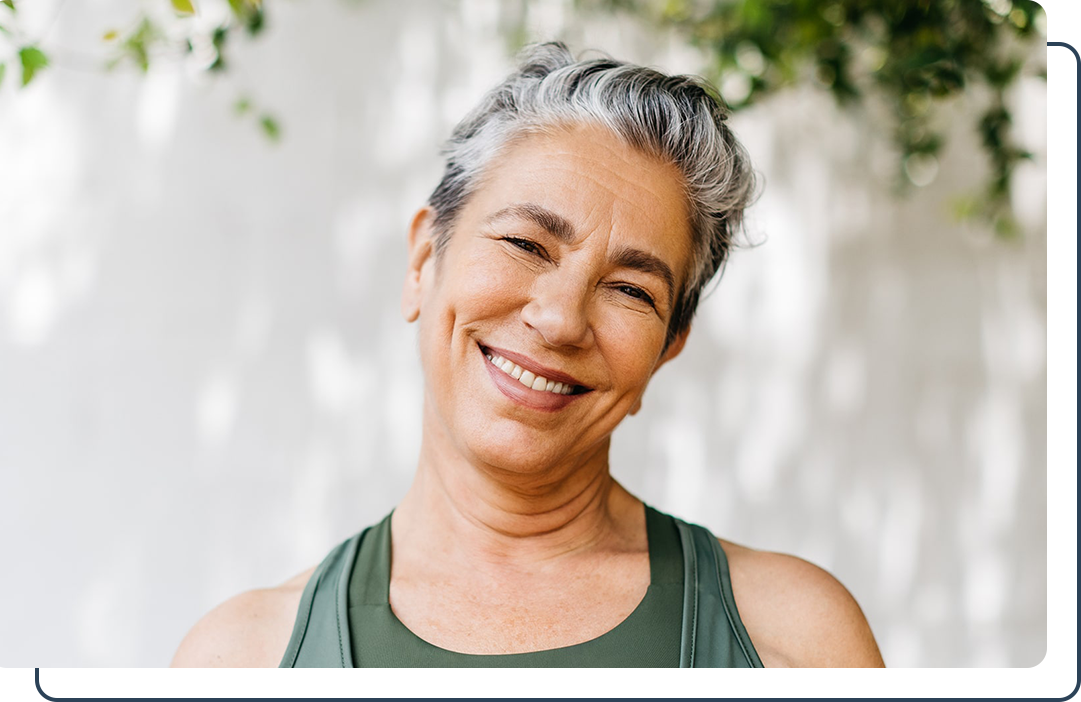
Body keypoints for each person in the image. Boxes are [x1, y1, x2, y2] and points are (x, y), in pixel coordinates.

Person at [171, 42, 884, 668]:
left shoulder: (792, 641)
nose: (560, 319)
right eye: (524, 244)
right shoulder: (243, 658)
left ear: (669, 349)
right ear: (424, 259)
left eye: (631, 290)